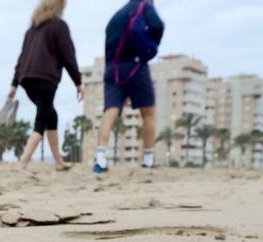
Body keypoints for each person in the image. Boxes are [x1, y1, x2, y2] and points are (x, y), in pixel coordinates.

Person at [9, 0, 84, 171]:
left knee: (51, 115)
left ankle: (58, 162)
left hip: (26, 80)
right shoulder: (59, 26)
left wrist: (13, 85)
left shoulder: (31, 31)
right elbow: (68, 56)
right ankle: (22, 162)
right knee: (41, 119)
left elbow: (21, 58)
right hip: (45, 79)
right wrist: (78, 82)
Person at [92, 0, 165, 173]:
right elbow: (157, 25)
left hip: (111, 69)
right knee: (148, 113)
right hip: (135, 66)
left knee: (110, 111)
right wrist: (151, 46)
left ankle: (100, 159)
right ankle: (147, 160)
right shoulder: (144, 5)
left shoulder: (116, 16)